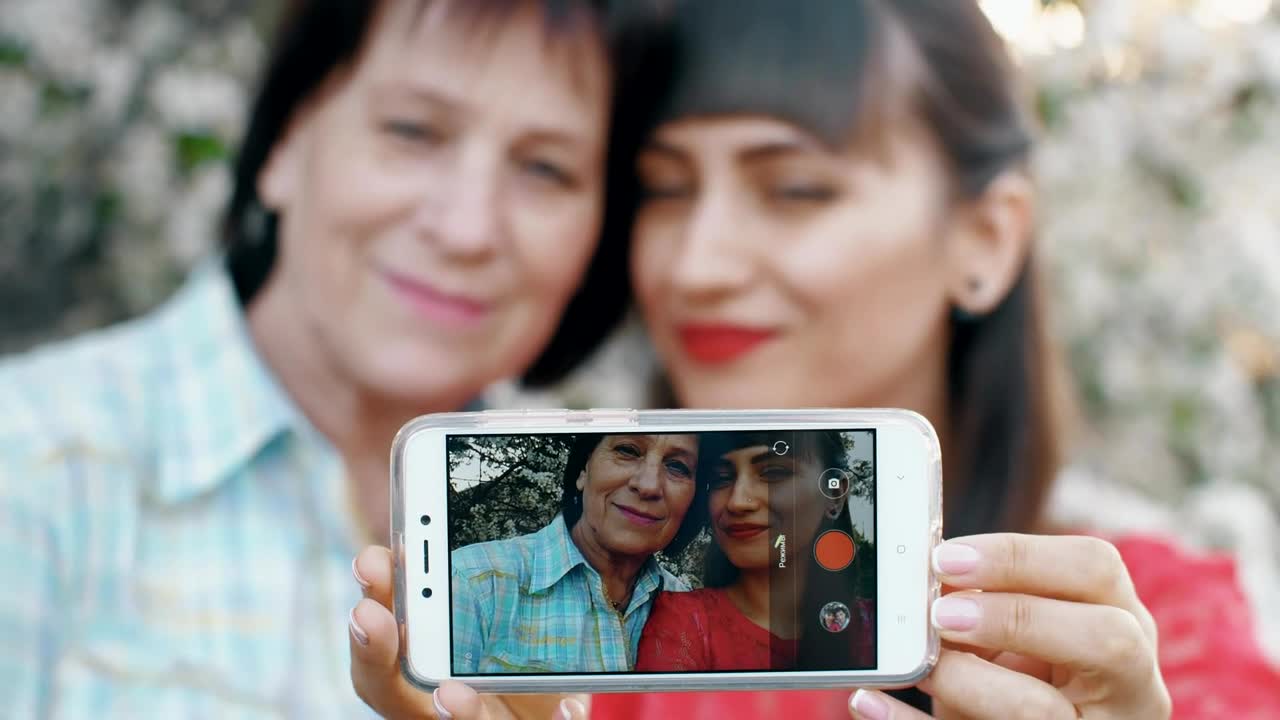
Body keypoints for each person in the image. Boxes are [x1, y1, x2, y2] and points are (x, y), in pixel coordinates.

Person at [352, 0, 1280, 718]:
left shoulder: (1140, 641)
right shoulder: (594, 633)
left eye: (793, 188)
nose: (697, 264)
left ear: (987, 240)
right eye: (665, 189)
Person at [0, 0, 632, 717]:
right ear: (284, 143)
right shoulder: (28, 467)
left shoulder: (605, 567)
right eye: (413, 131)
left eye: (546, 170)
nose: (467, 228)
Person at [451, 433, 704, 673]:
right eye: (627, 450)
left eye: (678, 467)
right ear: (584, 469)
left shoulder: (693, 615)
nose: (648, 485)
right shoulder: (473, 584)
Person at [634, 431, 874, 672]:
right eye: (721, 479)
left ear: (833, 495)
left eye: (773, 474)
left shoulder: (879, 628)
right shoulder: (685, 623)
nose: (737, 502)